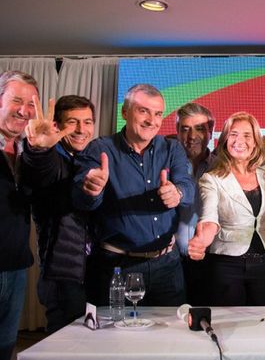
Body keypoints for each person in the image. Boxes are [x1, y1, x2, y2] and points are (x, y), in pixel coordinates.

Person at [73, 84, 194, 307]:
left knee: (171, 339)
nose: (151, 120)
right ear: (125, 113)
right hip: (116, 268)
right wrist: (93, 189)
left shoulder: (172, 149)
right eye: (143, 111)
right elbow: (83, 201)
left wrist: (178, 192)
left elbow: (186, 186)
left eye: (158, 113)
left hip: (167, 265)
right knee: (115, 337)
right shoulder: (100, 150)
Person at [188, 112, 265, 306]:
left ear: (256, 141)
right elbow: (209, 217)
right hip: (226, 265)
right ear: (224, 140)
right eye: (233, 134)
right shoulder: (211, 179)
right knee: (229, 323)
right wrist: (202, 239)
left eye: (247, 135)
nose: (240, 141)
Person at [21, 95, 95, 333]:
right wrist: (39, 149)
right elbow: (40, 169)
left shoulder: (89, 158)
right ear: (57, 126)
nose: (81, 129)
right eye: (73, 122)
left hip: (90, 274)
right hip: (63, 277)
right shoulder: (51, 157)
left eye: (87, 122)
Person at [0, 70, 38, 360]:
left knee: (5, 347)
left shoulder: (27, 150)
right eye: (16, 101)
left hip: (15, 266)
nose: (24, 111)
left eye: (30, 104)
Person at [173, 102, 215, 305]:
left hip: (212, 261)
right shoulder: (166, 165)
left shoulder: (222, 166)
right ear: (177, 131)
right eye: (185, 129)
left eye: (199, 128)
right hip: (171, 262)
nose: (192, 137)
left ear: (211, 130)